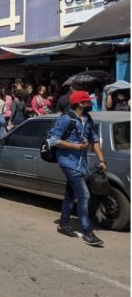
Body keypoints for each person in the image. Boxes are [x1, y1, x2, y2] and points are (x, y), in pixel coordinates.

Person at [48, 91, 107, 246]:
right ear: (80, 104)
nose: (91, 104)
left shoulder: (87, 119)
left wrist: (102, 161)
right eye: (88, 102)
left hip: (81, 163)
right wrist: (77, 146)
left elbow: (94, 140)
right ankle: (88, 232)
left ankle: (63, 224)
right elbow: (53, 140)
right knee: (84, 196)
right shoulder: (66, 118)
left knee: (70, 195)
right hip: (67, 162)